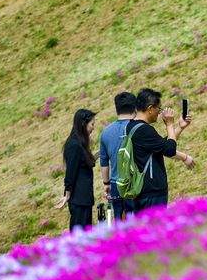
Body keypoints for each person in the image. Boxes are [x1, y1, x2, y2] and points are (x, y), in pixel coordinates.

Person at [126, 88, 195, 213]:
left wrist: (179, 127)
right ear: (150, 108)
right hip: (152, 192)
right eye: (159, 108)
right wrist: (169, 124)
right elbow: (169, 150)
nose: (159, 113)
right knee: (155, 229)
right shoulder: (145, 130)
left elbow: (162, 147)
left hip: (141, 190)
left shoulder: (132, 126)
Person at [99, 92, 138, 221]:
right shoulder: (139, 128)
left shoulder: (105, 132)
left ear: (117, 109)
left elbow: (104, 163)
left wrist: (106, 183)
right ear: (135, 107)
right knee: (137, 219)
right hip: (135, 183)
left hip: (116, 183)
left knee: (118, 220)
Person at [55, 109, 97, 229]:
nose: (93, 128)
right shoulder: (74, 145)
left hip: (84, 197)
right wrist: (67, 194)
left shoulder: (80, 143)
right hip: (79, 198)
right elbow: (71, 172)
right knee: (80, 235)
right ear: (84, 124)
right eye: (92, 124)